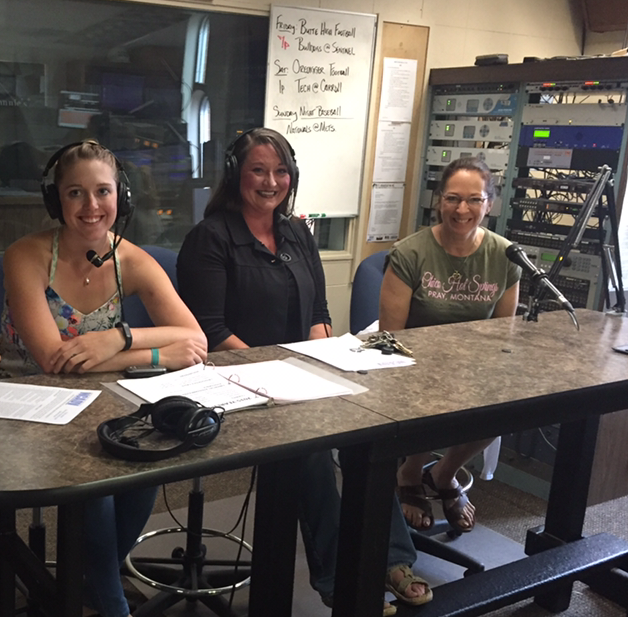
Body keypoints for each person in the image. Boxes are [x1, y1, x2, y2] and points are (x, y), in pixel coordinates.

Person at [177, 127, 431, 615]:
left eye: (281, 171)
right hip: (234, 381)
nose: (271, 181)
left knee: (366, 433)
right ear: (235, 175)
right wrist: (270, 375)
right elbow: (208, 330)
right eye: (258, 170)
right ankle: (342, 581)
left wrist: (324, 363)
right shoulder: (209, 239)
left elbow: (318, 311)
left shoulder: (296, 231)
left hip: (299, 374)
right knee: (311, 456)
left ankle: (391, 559)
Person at [0, 140, 207, 617]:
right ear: (56, 201)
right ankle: (111, 605)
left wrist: (119, 339)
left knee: (146, 461)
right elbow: (54, 360)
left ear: (121, 197)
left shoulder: (129, 259)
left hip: (95, 401)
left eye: (102, 192)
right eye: (75, 193)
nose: (90, 207)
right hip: (24, 403)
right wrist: (161, 352)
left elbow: (193, 337)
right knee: (94, 489)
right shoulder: (24, 256)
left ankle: (89, 586)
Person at [379, 157, 521, 535]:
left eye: (474, 200)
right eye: (453, 199)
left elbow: (502, 334)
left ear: (489, 204)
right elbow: (392, 336)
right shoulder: (410, 253)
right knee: (438, 399)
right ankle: (410, 472)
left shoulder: (505, 256)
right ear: (438, 201)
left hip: (474, 367)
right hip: (412, 366)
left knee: (508, 404)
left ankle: (444, 472)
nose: (462, 209)